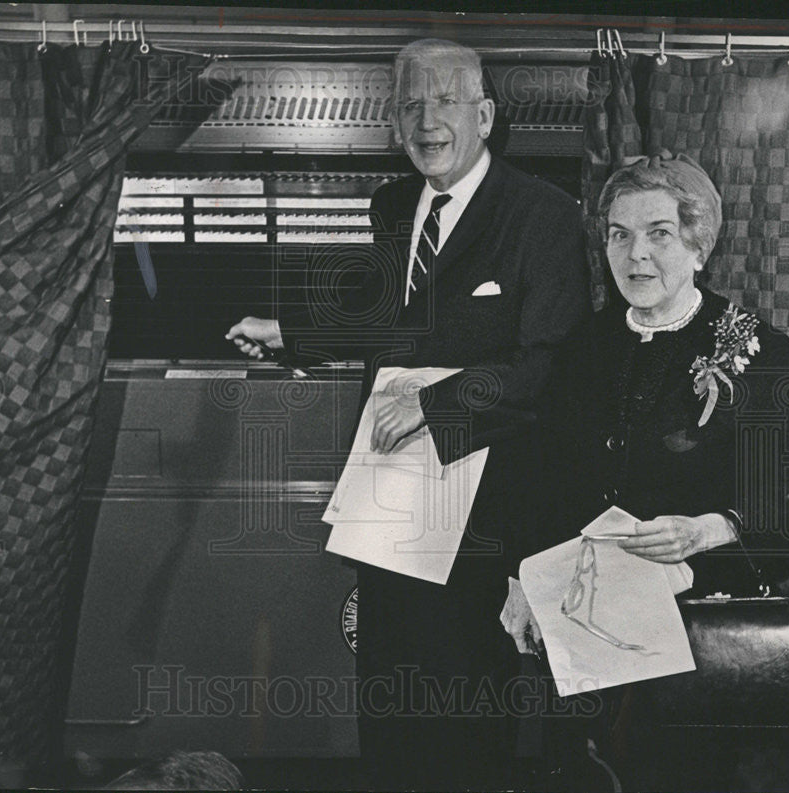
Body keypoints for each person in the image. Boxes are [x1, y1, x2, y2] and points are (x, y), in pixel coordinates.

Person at [227, 38, 589, 790]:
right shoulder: (393, 206)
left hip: (485, 504)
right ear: (394, 121)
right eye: (411, 104)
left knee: (465, 701)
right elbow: (389, 317)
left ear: (484, 115)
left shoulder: (544, 215)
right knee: (389, 692)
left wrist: (435, 403)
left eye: (446, 100)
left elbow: (546, 368)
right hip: (391, 494)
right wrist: (291, 331)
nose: (428, 120)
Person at [523, 151, 789, 790]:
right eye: (619, 234)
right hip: (581, 637)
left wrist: (711, 529)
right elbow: (539, 483)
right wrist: (520, 582)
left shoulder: (754, 351)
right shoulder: (583, 349)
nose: (635, 254)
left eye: (659, 233)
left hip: (700, 648)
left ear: (700, 246)